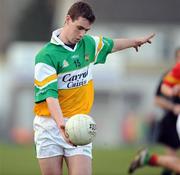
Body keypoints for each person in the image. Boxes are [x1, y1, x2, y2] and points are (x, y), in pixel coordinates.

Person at [33, 1, 155, 175]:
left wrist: (135, 42)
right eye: (79, 28)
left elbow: (111, 45)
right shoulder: (46, 56)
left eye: (86, 30)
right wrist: (61, 126)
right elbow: (50, 96)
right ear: (68, 19)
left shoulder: (88, 44)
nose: (82, 34)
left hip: (79, 124)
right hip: (50, 125)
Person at [128, 49, 180, 175]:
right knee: (172, 156)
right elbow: (163, 90)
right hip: (171, 119)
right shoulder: (175, 71)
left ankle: (148, 159)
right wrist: (173, 94)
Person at [154, 48, 180, 175]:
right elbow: (158, 99)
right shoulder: (172, 73)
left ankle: (148, 159)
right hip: (172, 120)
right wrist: (173, 106)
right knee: (173, 160)